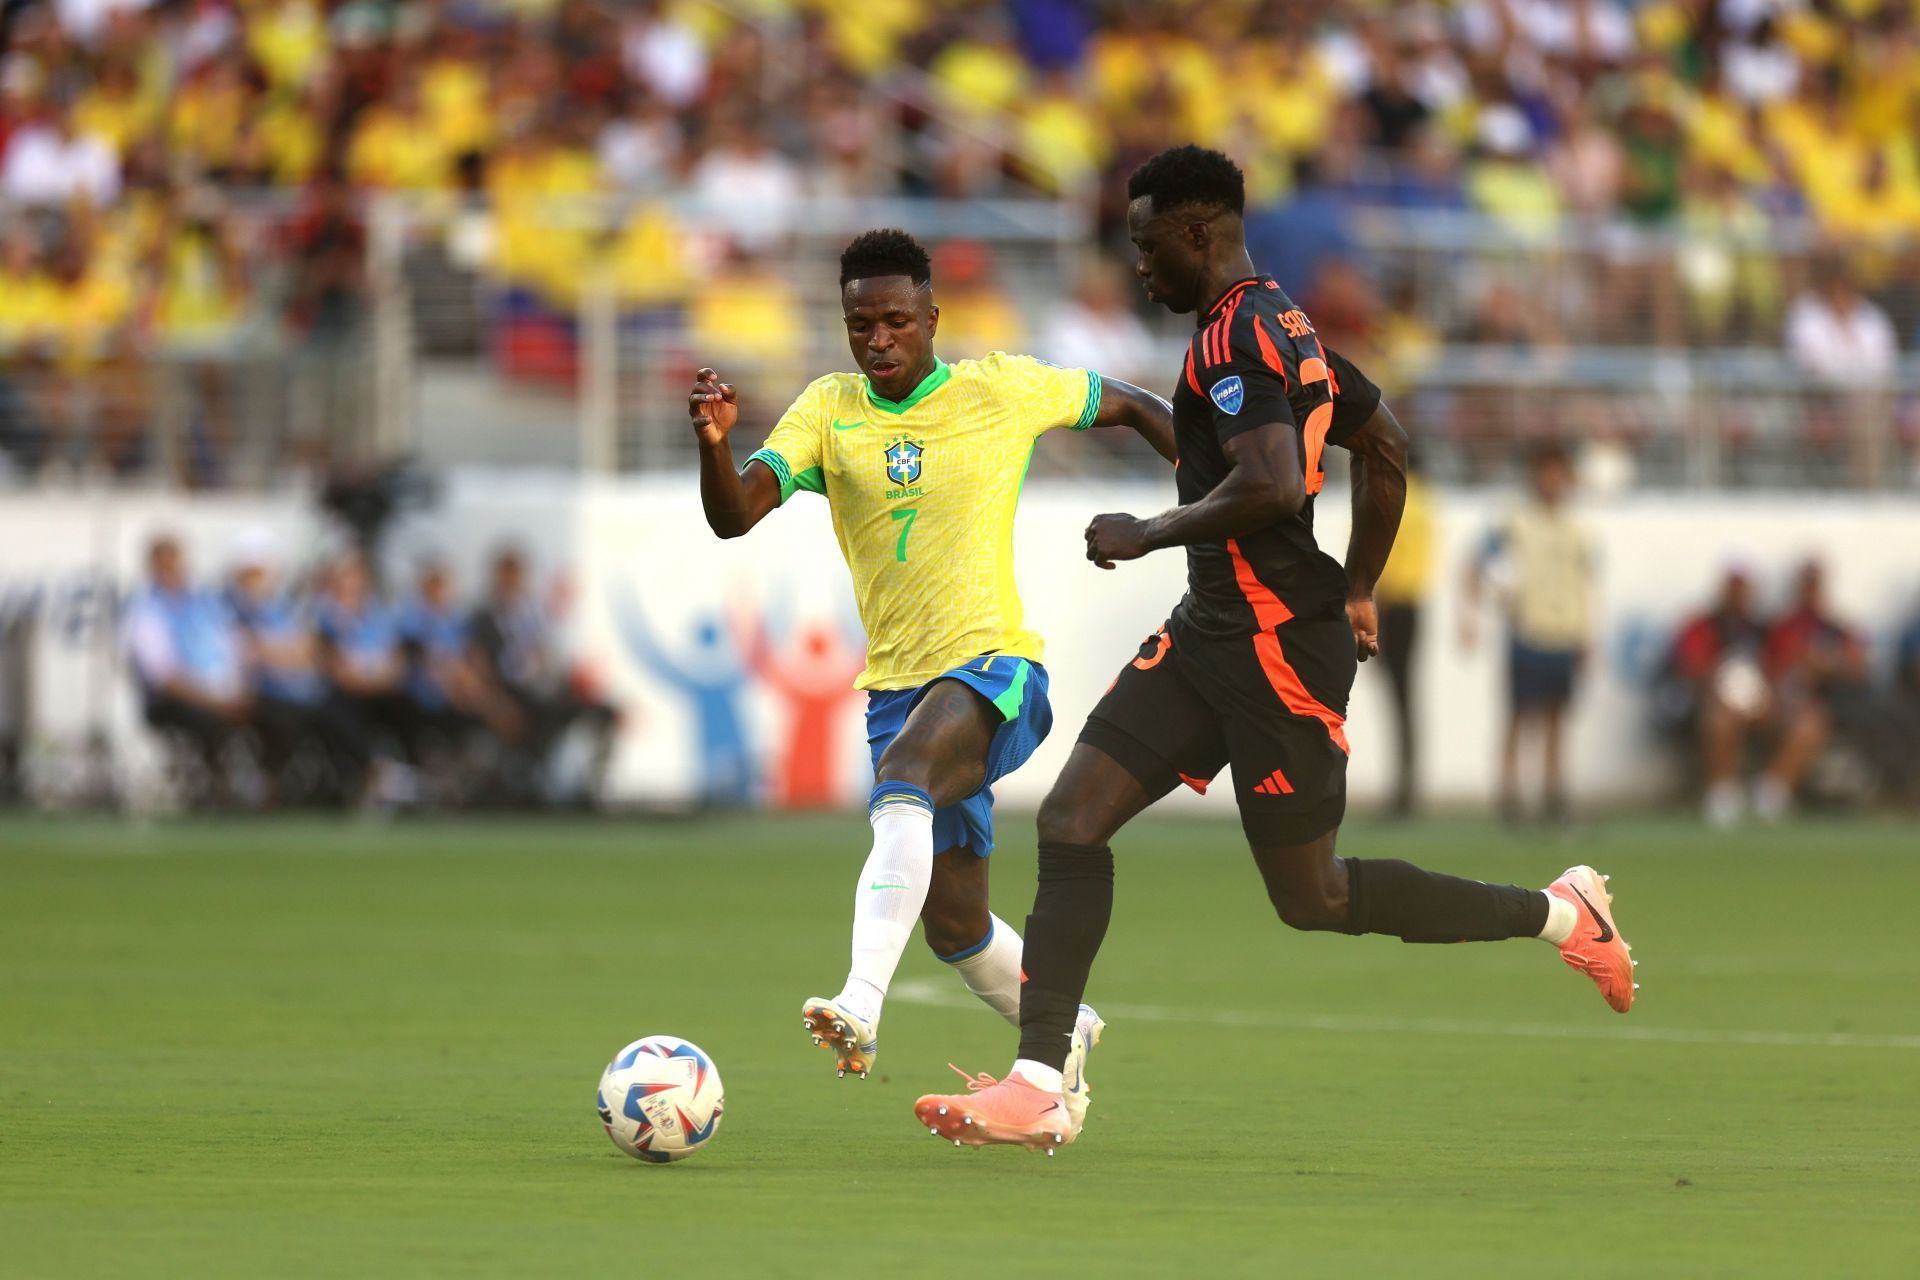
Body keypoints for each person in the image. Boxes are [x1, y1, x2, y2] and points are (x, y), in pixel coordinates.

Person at [912, 146, 1635, 1154]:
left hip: (1279, 647)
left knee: (1315, 896)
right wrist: (1361, 581)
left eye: (1148, 243)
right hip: (1215, 630)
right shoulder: (1276, 321)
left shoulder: (1237, 338)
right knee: (1074, 818)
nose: (1139, 265)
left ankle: (1561, 912)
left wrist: (1148, 531)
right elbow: (1381, 445)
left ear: (1198, 232)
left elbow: (1273, 483)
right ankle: (1042, 1079)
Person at [690, 228, 1176, 1115]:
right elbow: (735, 515)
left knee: (904, 781)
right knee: (953, 923)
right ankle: (1066, 1035)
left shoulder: (1001, 389)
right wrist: (714, 443)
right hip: (897, 688)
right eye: (860, 325)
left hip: (997, 669)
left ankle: (860, 1005)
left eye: (896, 322)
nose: (878, 341)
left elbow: (1135, 404)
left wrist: (1210, 492)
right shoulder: (829, 411)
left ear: (931, 317)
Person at [1462, 441, 1597, 825]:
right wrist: (1472, 613)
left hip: (1564, 633)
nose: (1553, 480)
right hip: (1528, 631)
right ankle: (1509, 797)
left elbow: (1585, 585)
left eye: (1559, 472)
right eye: (1546, 471)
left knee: (1557, 719)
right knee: (1519, 718)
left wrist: (1587, 636)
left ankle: (1553, 795)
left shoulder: (1577, 530)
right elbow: (1477, 565)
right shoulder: (1514, 522)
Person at [122, 536, 250, 791]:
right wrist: (216, 702)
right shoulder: (146, 611)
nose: (174, 572)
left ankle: (268, 787)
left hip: (222, 693)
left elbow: (236, 650)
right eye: (166, 565)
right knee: (210, 721)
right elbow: (163, 678)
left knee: (277, 713)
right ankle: (216, 787)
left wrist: (239, 691)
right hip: (176, 700)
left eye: (177, 564)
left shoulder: (206, 604)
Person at [1372, 448, 1435, 816]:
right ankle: (1407, 784)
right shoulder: (1428, 500)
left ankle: (1403, 789)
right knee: (1406, 698)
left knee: (1398, 698)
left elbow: (1382, 560)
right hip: (1413, 606)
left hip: (1393, 606)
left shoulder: (1399, 499)